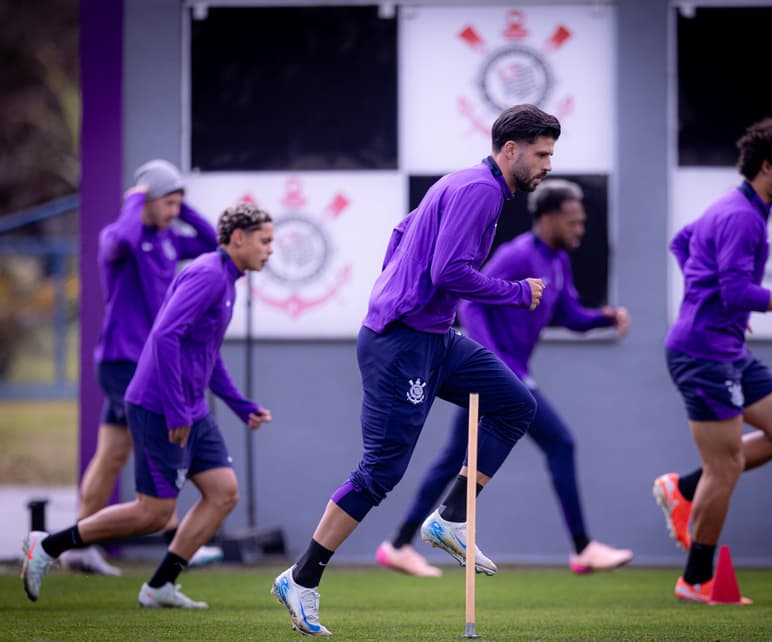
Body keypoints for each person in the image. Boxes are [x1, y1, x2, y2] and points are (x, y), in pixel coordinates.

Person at [269, 104, 559, 636]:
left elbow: (403, 236)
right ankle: (302, 579)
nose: (547, 165)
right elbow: (448, 269)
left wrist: (397, 290)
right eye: (541, 154)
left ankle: (448, 518)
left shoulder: (467, 184)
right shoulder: (480, 189)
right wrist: (516, 293)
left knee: (516, 405)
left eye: (550, 155)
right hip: (401, 343)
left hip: (434, 337)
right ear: (510, 150)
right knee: (380, 472)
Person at [376, 178, 633, 578]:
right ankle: (583, 548)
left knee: (454, 460)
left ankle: (398, 545)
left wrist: (605, 316)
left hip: (510, 373)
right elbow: (469, 303)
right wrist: (491, 363)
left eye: (582, 223)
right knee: (560, 443)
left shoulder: (558, 262)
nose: (580, 230)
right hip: (501, 372)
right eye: (573, 222)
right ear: (547, 218)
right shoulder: (517, 255)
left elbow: (570, 316)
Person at [21, 202, 275, 608]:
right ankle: (48, 546)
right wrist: (176, 411)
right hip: (160, 407)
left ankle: (160, 586)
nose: (271, 249)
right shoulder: (209, 275)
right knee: (152, 513)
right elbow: (165, 338)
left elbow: (206, 354)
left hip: (192, 409)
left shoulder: (227, 279)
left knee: (223, 492)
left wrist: (240, 405)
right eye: (265, 241)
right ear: (239, 239)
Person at [654, 117, 772, 603]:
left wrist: (705, 292)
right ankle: (695, 580)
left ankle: (684, 486)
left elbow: (682, 242)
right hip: (702, 352)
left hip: (729, 347)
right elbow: (737, 292)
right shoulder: (739, 216)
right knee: (730, 463)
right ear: (767, 166)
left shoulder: (741, 207)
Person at [61, 159, 222, 575]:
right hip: (122, 361)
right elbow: (120, 240)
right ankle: (175, 540)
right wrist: (137, 200)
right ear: (144, 201)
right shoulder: (123, 238)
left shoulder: (170, 240)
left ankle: (78, 548)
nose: (173, 213)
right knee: (158, 440)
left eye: (177, 205)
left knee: (111, 455)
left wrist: (180, 206)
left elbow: (211, 241)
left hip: (143, 364)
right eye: (166, 204)